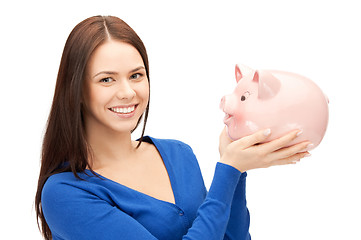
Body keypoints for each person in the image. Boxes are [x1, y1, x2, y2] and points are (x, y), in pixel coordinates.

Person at [35, 15, 311, 240]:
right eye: (107, 80)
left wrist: (237, 168)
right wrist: (229, 171)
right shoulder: (65, 193)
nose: (128, 92)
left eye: (136, 75)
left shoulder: (178, 153)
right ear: (77, 90)